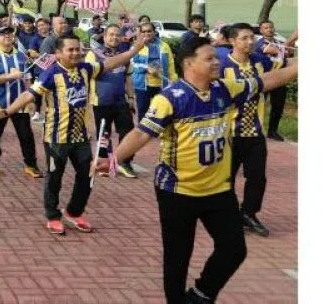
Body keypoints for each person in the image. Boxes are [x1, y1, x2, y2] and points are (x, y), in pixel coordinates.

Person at [97, 36, 299, 304]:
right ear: (189, 63)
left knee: (234, 249)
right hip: (177, 191)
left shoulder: (225, 89)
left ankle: (201, 295)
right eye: (210, 58)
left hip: (219, 190)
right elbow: (140, 133)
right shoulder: (170, 98)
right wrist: (112, 159)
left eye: (216, 57)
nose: (217, 62)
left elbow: (269, 81)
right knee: (178, 257)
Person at [0, 31, 150, 235]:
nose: (76, 53)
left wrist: (135, 50)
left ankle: (74, 212)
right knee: (54, 178)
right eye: (71, 50)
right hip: (56, 138)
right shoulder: (51, 74)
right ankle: (52, 216)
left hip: (81, 136)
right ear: (58, 54)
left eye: (78, 49)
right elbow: (28, 94)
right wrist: (8, 111)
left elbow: (112, 63)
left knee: (87, 175)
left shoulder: (86, 69)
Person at [220, 23, 286, 237]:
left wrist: (287, 50)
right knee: (225, 178)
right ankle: (227, 216)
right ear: (232, 41)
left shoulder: (260, 61)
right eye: (244, 38)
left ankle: (248, 213)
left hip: (255, 132)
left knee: (257, 177)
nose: (250, 42)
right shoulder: (221, 64)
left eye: (252, 38)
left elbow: (282, 71)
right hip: (229, 133)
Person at [0, 26, 42, 179]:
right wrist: (12, 76)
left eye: (9, 33)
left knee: (26, 136)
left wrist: (31, 100)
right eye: (2, 34)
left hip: (20, 104)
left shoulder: (22, 56)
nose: (7, 36)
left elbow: (28, 79)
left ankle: (31, 165)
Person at [85, 25, 137, 178]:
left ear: (121, 37)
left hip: (121, 102)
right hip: (101, 102)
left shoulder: (125, 55)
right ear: (105, 37)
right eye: (111, 35)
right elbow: (87, 76)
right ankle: (104, 163)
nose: (114, 37)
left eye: (117, 35)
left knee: (128, 131)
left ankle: (124, 162)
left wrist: (131, 98)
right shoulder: (93, 54)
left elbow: (128, 78)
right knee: (104, 135)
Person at [255, 20, 296, 142]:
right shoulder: (259, 43)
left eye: (271, 27)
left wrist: (289, 50)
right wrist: (287, 45)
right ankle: (256, 129)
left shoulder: (280, 42)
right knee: (258, 105)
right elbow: (272, 51)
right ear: (261, 30)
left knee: (278, 106)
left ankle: (273, 131)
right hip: (265, 78)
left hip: (279, 78)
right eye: (266, 28)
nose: (269, 29)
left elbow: (289, 56)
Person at [131, 22, 177, 121]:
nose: (146, 33)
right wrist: (146, 68)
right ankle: (143, 134)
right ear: (140, 33)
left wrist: (173, 80)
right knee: (143, 112)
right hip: (142, 85)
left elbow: (170, 64)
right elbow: (132, 64)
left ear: (154, 32)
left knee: (162, 112)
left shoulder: (164, 46)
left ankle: (161, 134)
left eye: (149, 31)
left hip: (161, 84)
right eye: (143, 31)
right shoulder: (136, 46)